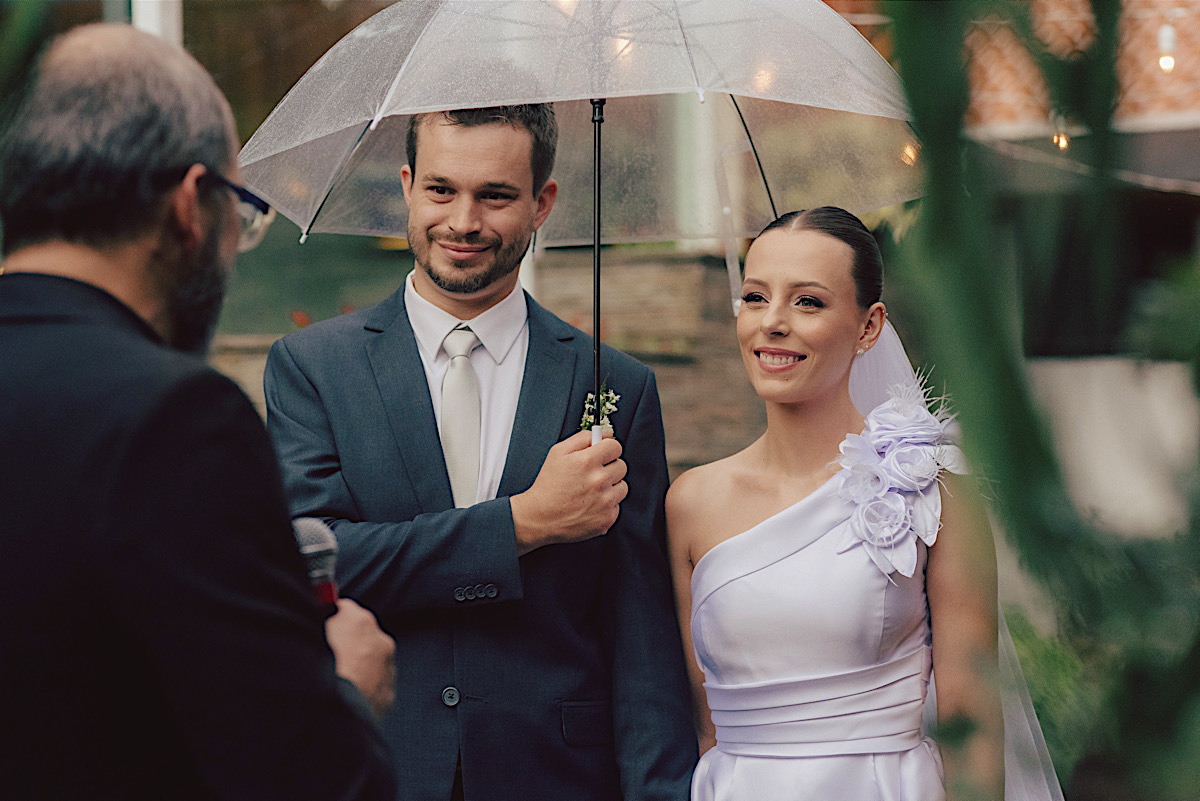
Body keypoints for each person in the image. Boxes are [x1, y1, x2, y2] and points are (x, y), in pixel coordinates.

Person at [0, 23, 397, 801]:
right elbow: (301, 777)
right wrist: (348, 691)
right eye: (242, 213)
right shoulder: (175, 419)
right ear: (190, 206)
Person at [262, 104, 697, 801]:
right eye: (441, 189)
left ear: (541, 203)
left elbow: (641, 640)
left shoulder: (615, 385)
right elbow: (317, 564)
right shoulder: (312, 368)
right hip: (377, 768)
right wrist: (524, 522)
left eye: (494, 195)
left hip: (558, 779)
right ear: (406, 185)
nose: (463, 221)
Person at [667, 207, 1062, 801]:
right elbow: (700, 724)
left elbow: (970, 716)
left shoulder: (934, 485)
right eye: (754, 297)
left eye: (808, 302)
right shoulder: (690, 502)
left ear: (869, 326)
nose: (772, 323)